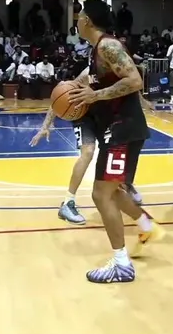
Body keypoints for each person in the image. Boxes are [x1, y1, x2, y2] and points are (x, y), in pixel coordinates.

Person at [61, 0, 160, 283]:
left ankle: (121, 264)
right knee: (112, 190)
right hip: (116, 130)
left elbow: (135, 80)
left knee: (100, 194)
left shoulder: (108, 46)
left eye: (79, 16)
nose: (77, 20)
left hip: (122, 129)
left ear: (87, 20)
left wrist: (95, 96)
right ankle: (145, 224)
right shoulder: (97, 50)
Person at [32, 74, 145, 225]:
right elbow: (61, 97)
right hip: (83, 116)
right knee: (88, 152)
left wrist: (142, 100)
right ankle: (68, 203)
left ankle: (124, 184)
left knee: (119, 144)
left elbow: (130, 84)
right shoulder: (89, 74)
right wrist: (45, 126)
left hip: (104, 115)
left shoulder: (118, 70)